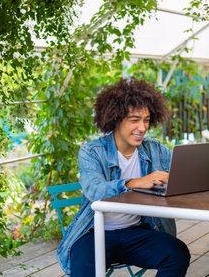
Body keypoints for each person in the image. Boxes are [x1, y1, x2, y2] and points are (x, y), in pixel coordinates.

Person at [56, 77, 190, 276]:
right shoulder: (92, 152)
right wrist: (134, 183)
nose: (142, 127)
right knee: (83, 269)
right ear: (116, 118)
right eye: (134, 120)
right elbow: (95, 190)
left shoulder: (154, 149)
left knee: (177, 254)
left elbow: (182, 174)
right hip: (96, 233)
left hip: (137, 232)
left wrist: (179, 180)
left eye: (146, 120)